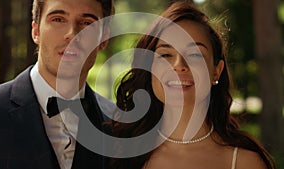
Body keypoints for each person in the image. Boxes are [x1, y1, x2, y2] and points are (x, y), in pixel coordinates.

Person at [110, 2, 276, 169]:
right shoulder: (120, 153)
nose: (178, 65)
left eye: (195, 54)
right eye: (166, 54)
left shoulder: (244, 162)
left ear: (216, 71)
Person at [0, 0, 115, 168]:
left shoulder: (120, 127)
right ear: (36, 31)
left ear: (104, 39)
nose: (72, 34)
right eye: (58, 19)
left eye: (87, 23)